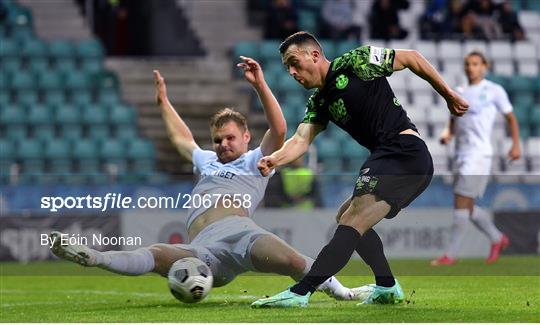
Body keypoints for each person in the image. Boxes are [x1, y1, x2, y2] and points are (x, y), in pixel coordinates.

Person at [49, 56, 365, 301]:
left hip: (241, 235)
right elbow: (182, 139)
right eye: (217, 140)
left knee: (294, 263)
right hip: (203, 251)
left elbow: (280, 129)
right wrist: (164, 103)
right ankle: (94, 258)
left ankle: (344, 293)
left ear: (245, 137)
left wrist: (259, 85)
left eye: (229, 138)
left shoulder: (256, 159)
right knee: (157, 254)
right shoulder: (207, 160)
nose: (222, 144)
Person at [251, 31, 469, 308]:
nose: (292, 72)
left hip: (403, 152)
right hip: (389, 156)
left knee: (352, 220)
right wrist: (274, 159)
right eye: (287, 68)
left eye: (295, 63)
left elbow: (412, 58)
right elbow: (300, 140)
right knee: (347, 216)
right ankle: (387, 286)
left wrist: (448, 95)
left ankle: (301, 291)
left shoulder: (355, 62)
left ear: (314, 55)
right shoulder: (320, 101)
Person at [431, 51, 520, 266]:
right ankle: (498, 239)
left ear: (484, 66)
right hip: (461, 154)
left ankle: (450, 255)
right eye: (468, 64)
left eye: (475, 63)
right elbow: (453, 118)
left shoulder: (493, 90)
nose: (471, 67)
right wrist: (447, 133)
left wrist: (515, 145)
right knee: (467, 206)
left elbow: (511, 117)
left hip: (479, 154)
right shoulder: (460, 91)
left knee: (461, 202)